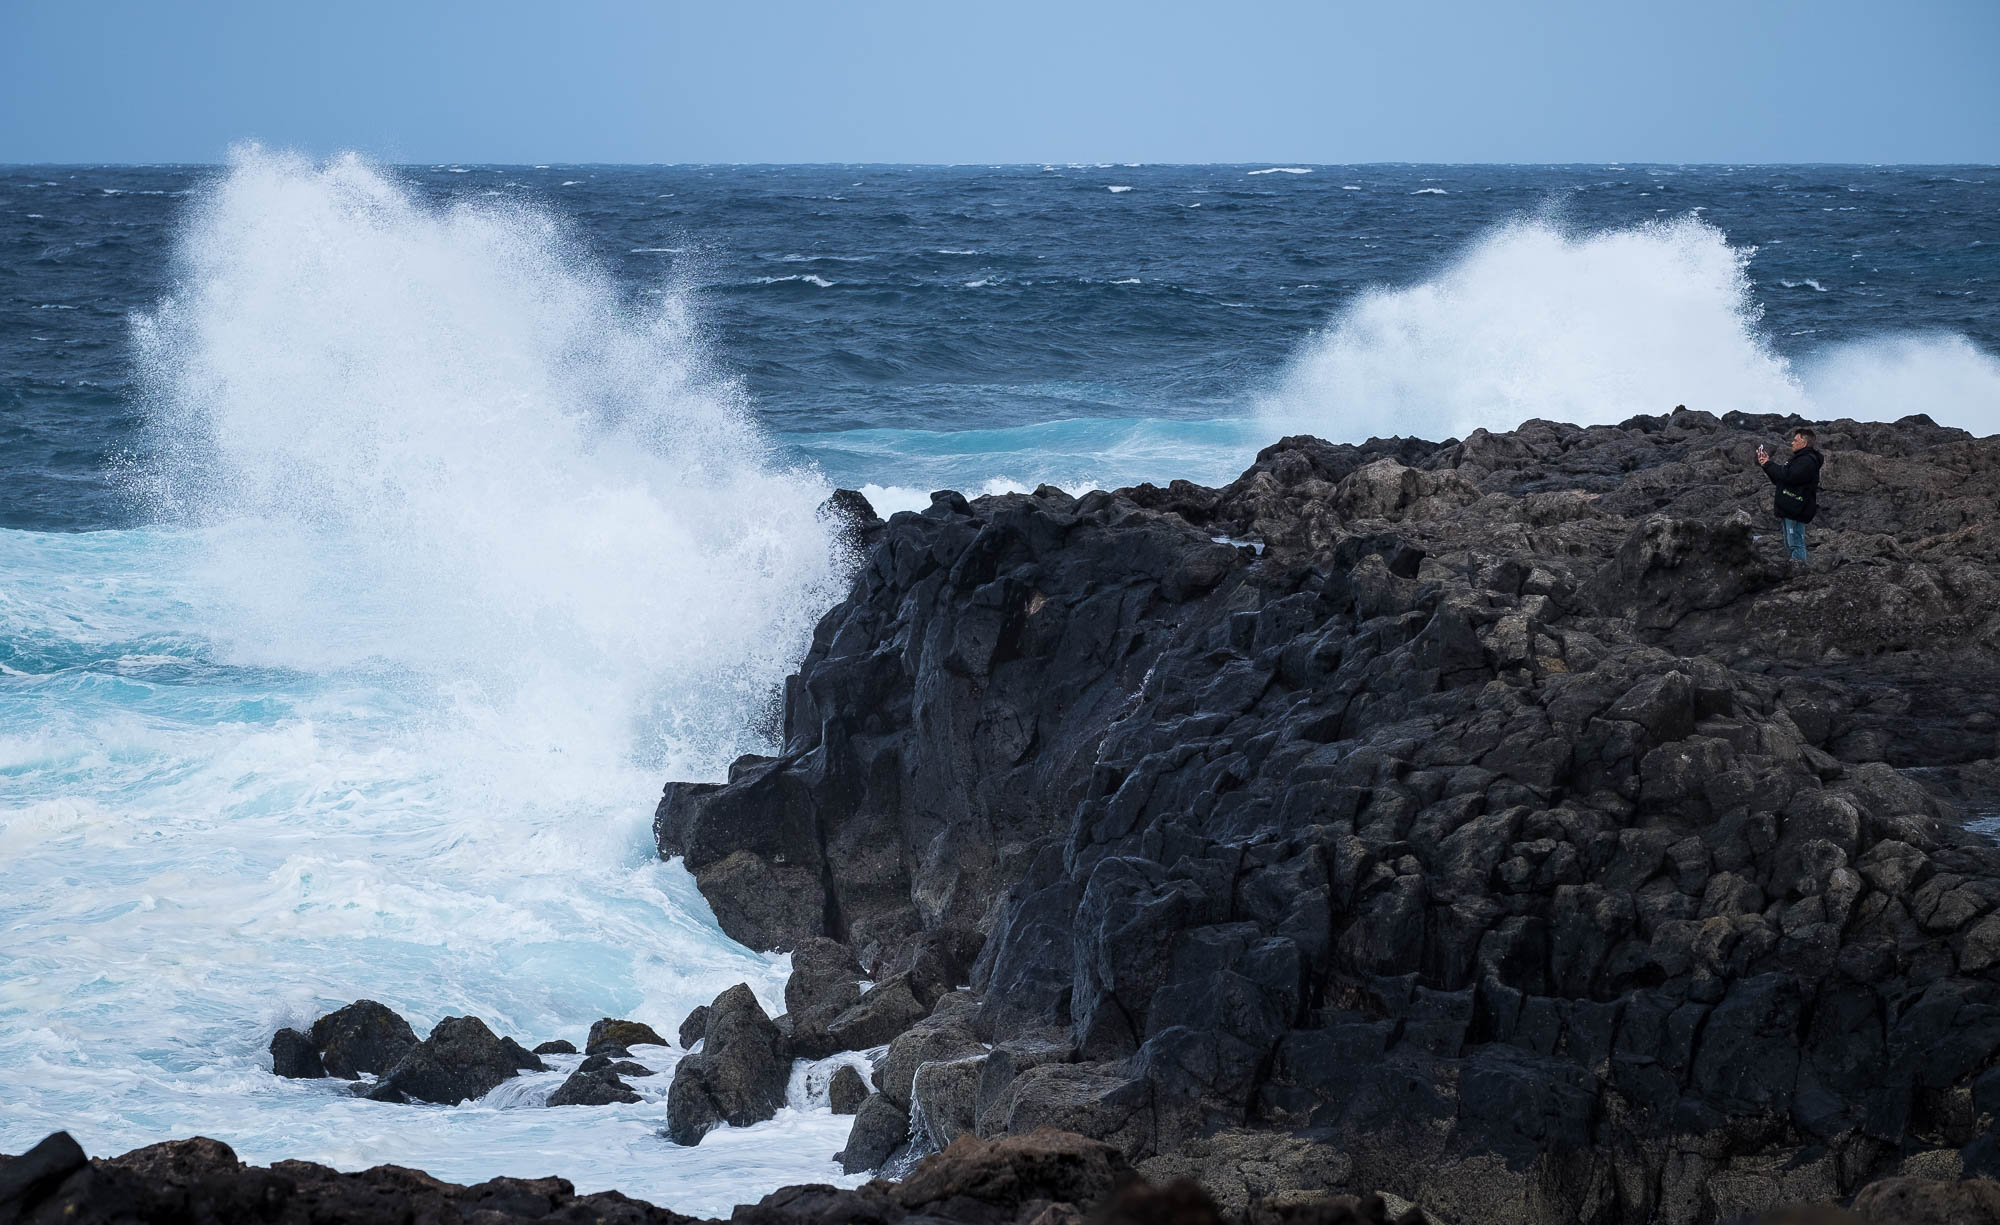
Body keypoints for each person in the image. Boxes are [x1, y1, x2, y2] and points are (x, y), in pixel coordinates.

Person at [1756, 426, 1823, 562]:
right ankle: (1797, 573)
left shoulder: (1807, 461)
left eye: (1795, 440)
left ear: (1803, 443)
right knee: (1790, 543)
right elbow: (1781, 478)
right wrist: (1766, 464)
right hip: (1791, 507)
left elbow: (1788, 476)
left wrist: (1769, 464)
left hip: (1796, 508)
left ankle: (1800, 573)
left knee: (1795, 544)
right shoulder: (1798, 459)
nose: (1792, 443)